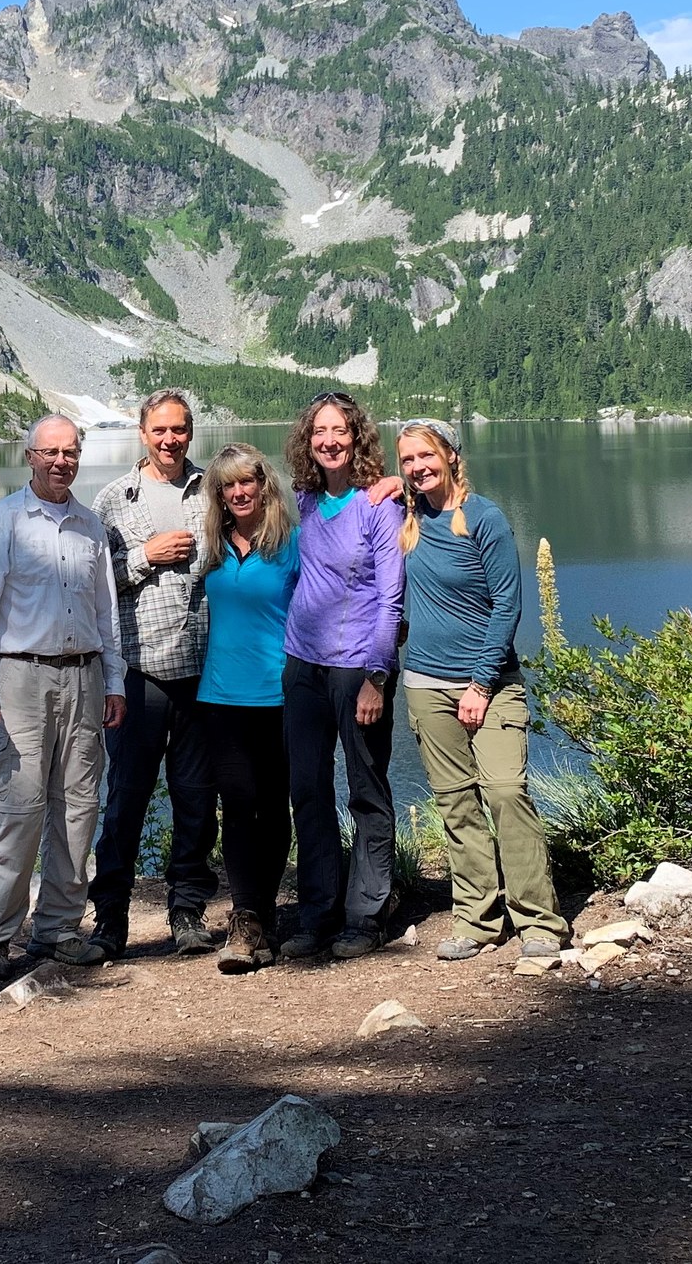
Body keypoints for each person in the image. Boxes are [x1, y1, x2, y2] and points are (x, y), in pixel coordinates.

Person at [0, 414, 127, 981]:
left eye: (69, 452)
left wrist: (115, 681)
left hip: (86, 675)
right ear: (29, 456)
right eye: (48, 452)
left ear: (79, 456)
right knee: (15, 807)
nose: (60, 461)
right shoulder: (2, 521)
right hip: (21, 677)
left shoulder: (90, 526)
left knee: (78, 808)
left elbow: (106, 613)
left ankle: (56, 930)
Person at [394, 420, 567, 961]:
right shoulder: (407, 519)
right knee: (456, 802)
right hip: (424, 684)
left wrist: (480, 683)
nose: (417, 467)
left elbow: (507, 608)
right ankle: (477, 919)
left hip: (488, 685)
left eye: (426, 456)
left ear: (450, 455)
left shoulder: (485, 519)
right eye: (407, 460)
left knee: (505, 792)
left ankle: (539, 920)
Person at [87, 389, 218, 958]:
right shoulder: (114, 499)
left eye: (181, 429)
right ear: (144, 433)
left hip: (203, 670)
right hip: (140, 672)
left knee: (195, 798)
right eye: (160, 430)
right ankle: (110, 916)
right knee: (127, 799)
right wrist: (148, 556)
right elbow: (93, 584)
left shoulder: (212, 488)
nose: (171, 439)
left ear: (191, 433)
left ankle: (187, 910)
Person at [282, 392, 406, 961]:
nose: (329, 440)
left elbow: (390, 598)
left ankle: (366, 914)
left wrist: (377, 677)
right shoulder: (305, 501)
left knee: (366, 791)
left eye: (340, 430)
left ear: (357, 438)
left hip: (359, 666)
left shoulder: (378, 504)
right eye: (319, 432)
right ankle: (317, 912)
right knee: (307, 792)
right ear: (308, 441)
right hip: (303, 666)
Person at [195, 443, 301, 973]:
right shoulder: (213, 546)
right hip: (220, 696)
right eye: (227, 486)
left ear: (265, 486)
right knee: (236, 805)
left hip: (278, 694)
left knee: (274, 805)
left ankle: (263, 916)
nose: (238, 492)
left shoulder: (291, 544)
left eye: (247, 482)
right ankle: (245, 917)